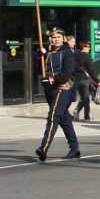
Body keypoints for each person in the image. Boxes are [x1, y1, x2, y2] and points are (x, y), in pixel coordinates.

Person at [36, 27, 80, 162]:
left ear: (63, 39)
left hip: (63, 89)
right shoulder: (48, 53)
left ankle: (44, 148)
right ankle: (74, 148)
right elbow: (40, 69)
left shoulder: (67, 53)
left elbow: (67, 72)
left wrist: (52, 79)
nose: (56, 40)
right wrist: (39, 56)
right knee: (64, 119)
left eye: (58, 37)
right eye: (54, 37)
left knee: (53, 116)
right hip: (50, 90)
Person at [71, 40, 100, 121]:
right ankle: (86, 116)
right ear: (84, 47)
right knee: (87, 98)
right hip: (85, 80)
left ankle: (76, 111)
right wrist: (97, 81)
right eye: (88, 47)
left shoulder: (75, 57)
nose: (89, 48)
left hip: (77, 80)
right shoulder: (87, 57)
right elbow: (92, 70)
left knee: (83, 98)